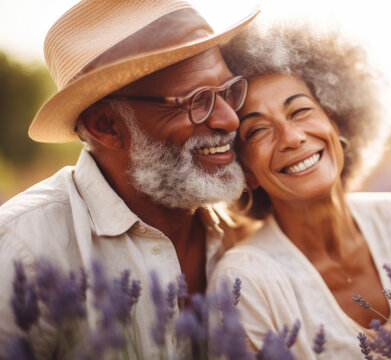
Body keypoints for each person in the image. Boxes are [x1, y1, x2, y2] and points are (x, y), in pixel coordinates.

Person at [0, 0, 257, 357]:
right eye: (198, 100)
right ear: (105, 126)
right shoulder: (20, 250)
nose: (229, 119)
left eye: (228, 91)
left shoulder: (250, 228)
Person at [212, 24, 391, 359]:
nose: (292, 137)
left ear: (335, 123)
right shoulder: (245, 284)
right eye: (259, 129)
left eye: (300, 110)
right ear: (245, 172)